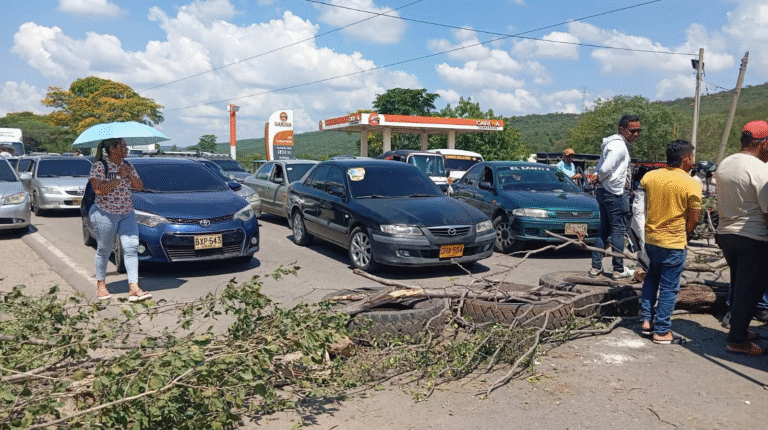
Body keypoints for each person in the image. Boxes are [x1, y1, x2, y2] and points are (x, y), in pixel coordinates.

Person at [638, 140, 701, 344]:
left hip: (652, 239)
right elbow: (696, 215)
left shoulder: (650, 177)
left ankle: (647, 321)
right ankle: (662, 330)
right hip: (673, 242)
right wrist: (688, 232)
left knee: (651, 278)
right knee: (668, 287)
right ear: (687, 159)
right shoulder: (691, 182)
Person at [716, 120, 768, 356]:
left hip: (726, 235)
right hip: (752, 237)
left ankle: (740, 330)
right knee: (752, 290)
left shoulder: (727, 163)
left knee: (741, 286)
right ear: (763, 143)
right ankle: (737, 340)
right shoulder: (760, 169)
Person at [88, 138, 151, 302]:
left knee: (131, 248)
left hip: (127, 213)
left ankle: (134, 288)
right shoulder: (99, 166)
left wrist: (129, 174)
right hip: (105, 213)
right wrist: (118, 177)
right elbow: (99, 190)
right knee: (104, 249)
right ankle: (101, 285)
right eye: (123, 146)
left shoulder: (128, 165)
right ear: (112, 149)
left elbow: (139, 186)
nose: (127, 149)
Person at [588, 115, 641, 280]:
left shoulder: (611, 144)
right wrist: (600, 177)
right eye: (633, 130)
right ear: (622, 130)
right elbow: (605, 168)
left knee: (603, 229)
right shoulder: (619, 147)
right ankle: (618, 268)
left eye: (639, 130)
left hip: (604, 191)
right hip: (615, 193)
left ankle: (596, 267)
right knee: (618, 230)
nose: (636, 134)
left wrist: (598, 177)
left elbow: (600, 168)